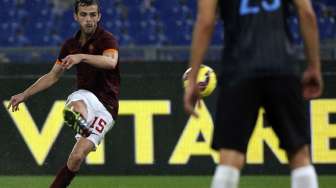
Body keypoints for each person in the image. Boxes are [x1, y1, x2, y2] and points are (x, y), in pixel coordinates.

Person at [184, 0, 323, 188]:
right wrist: (314, 66)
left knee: (230, 157)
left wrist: (192, 78)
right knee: (299, 154)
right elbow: (307, 14)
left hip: (239, 69)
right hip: (282, 66)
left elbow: (206, 22)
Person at [7, 0, 120, 187]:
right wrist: (24, 95)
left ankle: (83, 126)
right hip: (86, 94)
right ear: (76, 17)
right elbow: (53, 76)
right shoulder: (70, 45)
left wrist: (81, 56)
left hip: (107, 107)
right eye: (84, 15)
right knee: (76, 104)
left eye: (93, 14)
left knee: (76, 157)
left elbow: (110, 62)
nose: (89, 19)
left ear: (99, 16)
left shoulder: (106, 39)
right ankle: (80, 122)